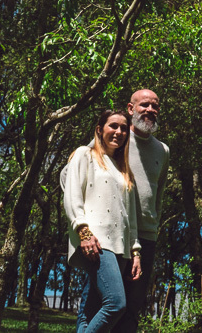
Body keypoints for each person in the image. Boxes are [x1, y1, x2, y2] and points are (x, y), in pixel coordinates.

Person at [62, 110, 141, 333]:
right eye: (113, 126)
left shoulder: (123, 170)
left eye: (124, 128)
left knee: (90, 312)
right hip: (96, 241)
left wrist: (135, 252)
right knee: (116, 304)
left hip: (121, 248)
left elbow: (130, 216)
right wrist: (83, 231)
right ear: (99, 129)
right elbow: (72, 195)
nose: (119, 132)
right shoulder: (84, 154)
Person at [119, 89, 170, 332]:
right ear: (131, 109)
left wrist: (155, 224)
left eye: (155, 106)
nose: (150, 110)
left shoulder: (163, 150)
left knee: (133, 307)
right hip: (115, 234)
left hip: (147, 238)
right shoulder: (116, 137)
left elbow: (158, 192)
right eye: (144, 105)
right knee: (107, 304)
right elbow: (80, 171)